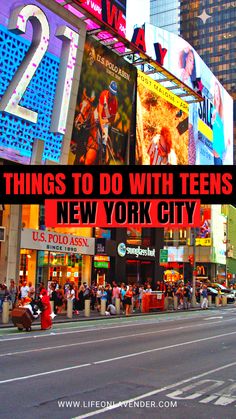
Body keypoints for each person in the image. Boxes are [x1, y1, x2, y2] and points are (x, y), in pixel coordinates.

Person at [97, 81, 118, 160]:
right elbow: (99, 112)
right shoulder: (104, 94)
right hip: (98, 114)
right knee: (87, 124)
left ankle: (103, 154)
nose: (112, 95)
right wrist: (100, 123)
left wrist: (104, 123)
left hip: (106, 120)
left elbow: (112, 119)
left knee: (104, 138)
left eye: (113, 94)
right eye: (111, 93)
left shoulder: (115, 103)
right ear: (109, 90)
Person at [211, 81, 225, 165]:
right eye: (215, 91)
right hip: (214, 149)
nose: (216, 93)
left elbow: (221, 130)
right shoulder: (213, 108)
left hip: (220, 151)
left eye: (217, 91)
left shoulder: (221, 109)